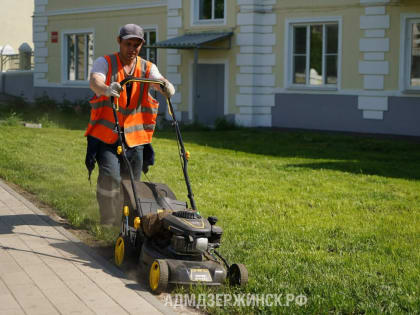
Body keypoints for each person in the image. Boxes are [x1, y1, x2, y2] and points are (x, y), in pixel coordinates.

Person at [85, 23, 175, 226]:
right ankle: (108, 221)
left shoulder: (147, 67)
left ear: (141, 45)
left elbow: (159, 81)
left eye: (137, 44)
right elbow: (94, 81)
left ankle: (129, 224)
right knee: (110, 177)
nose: (132, 48)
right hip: (106, 136)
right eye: (128, 43)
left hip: (135, 139)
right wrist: (106, 89)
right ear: (119, 41)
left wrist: (166, 87)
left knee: (132, 184)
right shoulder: (105, 62)